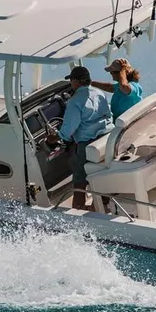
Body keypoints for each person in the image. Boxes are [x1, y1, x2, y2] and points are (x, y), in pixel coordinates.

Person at [46, 66, 114, 210]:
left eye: (71, 80)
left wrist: (55, 137)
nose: (71, 83)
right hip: (107, 138)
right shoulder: (99, 93)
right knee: (101, 170)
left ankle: (78, 207)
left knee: (79, 175)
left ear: (77, 81)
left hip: (89, 144)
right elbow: (108, 114)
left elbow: (69, 129)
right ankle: (103, 203)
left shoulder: (74, 102)